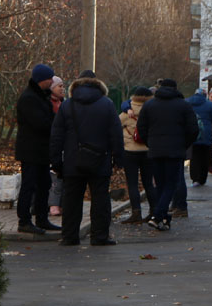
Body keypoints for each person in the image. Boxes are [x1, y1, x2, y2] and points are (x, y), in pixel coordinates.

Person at [49, 70, 124, 246]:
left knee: (71, 200)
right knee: (100, 200)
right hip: (100, 160)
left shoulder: (67, 105)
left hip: (73, 161)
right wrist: (118, 159)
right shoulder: (107, 104)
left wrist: (56, 162)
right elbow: (116, 134)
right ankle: (99, 236)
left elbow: (56, 136)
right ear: (97, 84)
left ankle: (69, 236)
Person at [137, 77, 198, 231]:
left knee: (160, 184)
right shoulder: (183, 105)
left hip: (155, 151)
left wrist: (150, 143)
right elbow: (193, 129)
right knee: (171, 184)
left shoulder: (149, 105)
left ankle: (164, 218)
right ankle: (158, 216)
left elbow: (141, 128)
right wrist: (183, 145)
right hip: (175, 151)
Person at [15, 64, 60, 235]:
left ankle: (42, 218)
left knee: (44, 184)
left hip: (40, 150)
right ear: (43, 79)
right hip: (31, 150)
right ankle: (24, 220)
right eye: (50, 78)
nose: (52, 82)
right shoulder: (29, 98)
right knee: (30, 185)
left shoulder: (40, 97)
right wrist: (57, 125)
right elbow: (40, 123)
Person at [118, 86, 156, 223]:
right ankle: (153, 211)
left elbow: (116, 128)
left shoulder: (126, 113)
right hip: (147, 151)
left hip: (130, 152)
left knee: (132, 184)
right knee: (149, 184)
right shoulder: (152, 111)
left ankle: (136, 213)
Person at [186, 89, 212, 186]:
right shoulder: (209, 104)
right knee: (204, 156)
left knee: (194, 157)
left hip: (191, 133)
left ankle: (194, 178)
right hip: (205, 133)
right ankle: (202, 178)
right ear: (205, 95)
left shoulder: (187, 102)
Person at [48, 76, 66, 218]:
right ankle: (53, 205)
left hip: (63, 145)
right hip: (51, 145)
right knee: (54, 178)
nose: (62, 88)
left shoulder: (63, 104)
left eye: (63, 86)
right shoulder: (49, 104)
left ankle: (59, 204)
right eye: (59, 86)